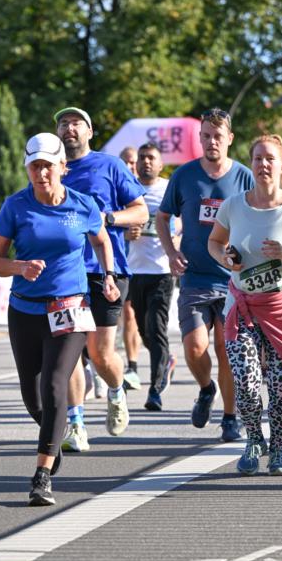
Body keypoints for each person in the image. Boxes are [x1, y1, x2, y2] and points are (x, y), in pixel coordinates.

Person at [0, 132, 119, 506]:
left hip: (70, 307)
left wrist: (108, 275)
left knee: (56, 385)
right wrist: (19, 267)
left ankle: (41, 475)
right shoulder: (15, 206)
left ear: (63, 166)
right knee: (33, 397)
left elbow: (101, 240)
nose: (41, 173)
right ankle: (53, 437)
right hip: (25, 310)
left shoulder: (82, 204)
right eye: (34, 166)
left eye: (47, 165)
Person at [208, 134, 282, 475]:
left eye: (270, 158)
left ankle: (279, 448)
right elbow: (214, 242)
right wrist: (226, 258)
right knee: (246, 382)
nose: (263, 164)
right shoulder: (233, 205)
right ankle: (254, 439)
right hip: (242, 307)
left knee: (281, 390)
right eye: (257, 158)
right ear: (251, 164)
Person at [156, 107, 253, 442]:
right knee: (195, 346)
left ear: (230, 139)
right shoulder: (184, 175)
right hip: (195, 277)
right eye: (206, 136)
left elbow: (261, 215)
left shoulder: (244, 177)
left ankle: (230, 417)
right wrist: (171, 252)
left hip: (232, 280)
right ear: (200, 138)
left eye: (218, 136)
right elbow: (162, 217)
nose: (212, 142)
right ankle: (206, 388)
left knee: (226, 350)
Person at [55, 108, 148, 452]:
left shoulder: (110, 166)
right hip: (64, 274)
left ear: (90, 131)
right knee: (68, 352)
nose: (69, 128)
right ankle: (76, 425)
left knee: (100, 353)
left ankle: (116, 391)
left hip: (106, 270)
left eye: (76, 123)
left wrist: (106, 219)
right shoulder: (51, 170)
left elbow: (140, 211)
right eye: (63, 124)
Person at [125, 142, 178, 412]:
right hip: (135, 271)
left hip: (161, 271)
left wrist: (177, 241)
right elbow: (116, 223)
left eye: (151, 158)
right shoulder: (128, 189)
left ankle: (155, 390)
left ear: (160, 164)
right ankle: (167, 360)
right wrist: (126, 233)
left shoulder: (169, 189)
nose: (146, 162)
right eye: (142, 157)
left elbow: (181, 222)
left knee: (155, 328)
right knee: (144, 330)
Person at [119, 146, 142, 391]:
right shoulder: (117, 188)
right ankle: (130, 366)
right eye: (126, 162)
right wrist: (124, 233)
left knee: (136, 318)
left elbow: (172, 222)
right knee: (126, 315)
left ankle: (135, 365)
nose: (130, 166)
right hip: (121, 264)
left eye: (133, 162)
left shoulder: (149, 189)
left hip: (148, 268)